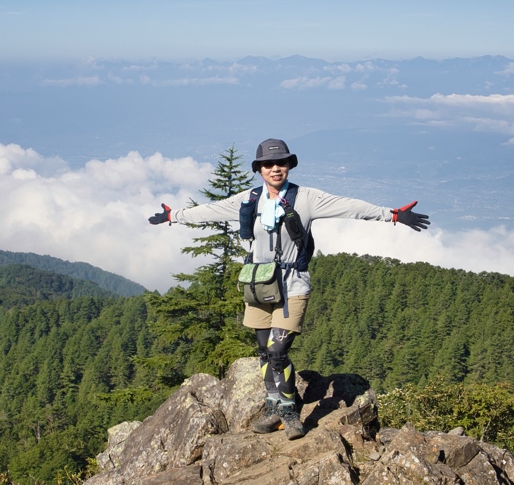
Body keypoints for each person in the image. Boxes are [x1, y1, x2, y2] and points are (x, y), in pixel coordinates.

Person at [149, 138, 429, 440]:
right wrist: (172, 216)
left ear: (289, 165)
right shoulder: (249, 200)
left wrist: (393, 215)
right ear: (259, 169)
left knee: (278, 350)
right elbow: (210, 211)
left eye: (281, 163)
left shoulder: (305, 198)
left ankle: (289, 410)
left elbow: (349, 207)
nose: (275, 168)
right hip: (258, 285)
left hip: (293, 286)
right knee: (263, 352)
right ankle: (273, 404)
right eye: (268, 164)